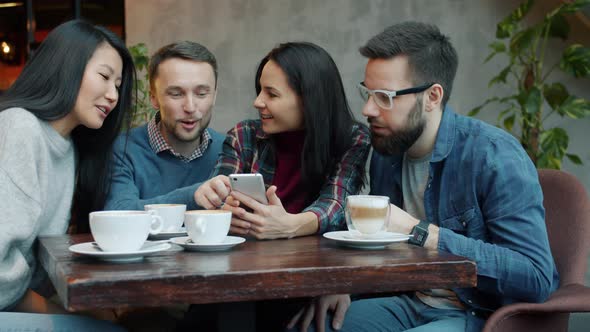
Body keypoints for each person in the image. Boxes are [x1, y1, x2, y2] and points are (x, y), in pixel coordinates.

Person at [288, 22, 559, 332]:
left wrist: (423, 233)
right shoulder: (388, 152)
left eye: (385, 97)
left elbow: (536, 277)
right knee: (311, 325)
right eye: (367, 92)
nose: (367, 109)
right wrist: (346, 286)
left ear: (432, 96)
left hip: (476, 314)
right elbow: (385, 251)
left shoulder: (493, 156)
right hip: (410, 302)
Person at [0, 20, 134, 330]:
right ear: (66, 66)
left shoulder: (68, 148)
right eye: (104, 76)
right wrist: (70, 312)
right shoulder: (20, 128)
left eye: (118, 84)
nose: (113, 95)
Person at [195, 42, 371, 239]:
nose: (257, 102)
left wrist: (290, 225)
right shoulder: (243, 135)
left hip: (322, 259)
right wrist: (221, 203)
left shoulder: (352, 138)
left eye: (272, 94)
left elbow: (337, 203)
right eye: (260, 90)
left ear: (309, 99)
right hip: (250, 258)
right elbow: (220, 195)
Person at [104, 41, 224, 211]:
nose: (190, 107)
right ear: (153, 97)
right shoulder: (122, 149)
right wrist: (193, 196)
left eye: (201, 94)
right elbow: (120, 212)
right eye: (176, 94)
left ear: (214, 95)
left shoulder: (230, 149)